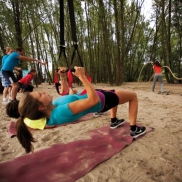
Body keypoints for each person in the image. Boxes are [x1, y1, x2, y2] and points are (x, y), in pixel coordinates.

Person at [6, 66, 146, 153]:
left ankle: (114, 120)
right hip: (101, 101)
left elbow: (66, 93)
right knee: (133, 96)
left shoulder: (51, 108)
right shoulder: (60, 113)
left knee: (117, 93)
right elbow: (93, 101)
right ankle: (134, 129)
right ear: (41, 107)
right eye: (40, 94)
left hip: (93, 93)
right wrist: (82, 76)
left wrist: (62, 77)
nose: (42, 91)